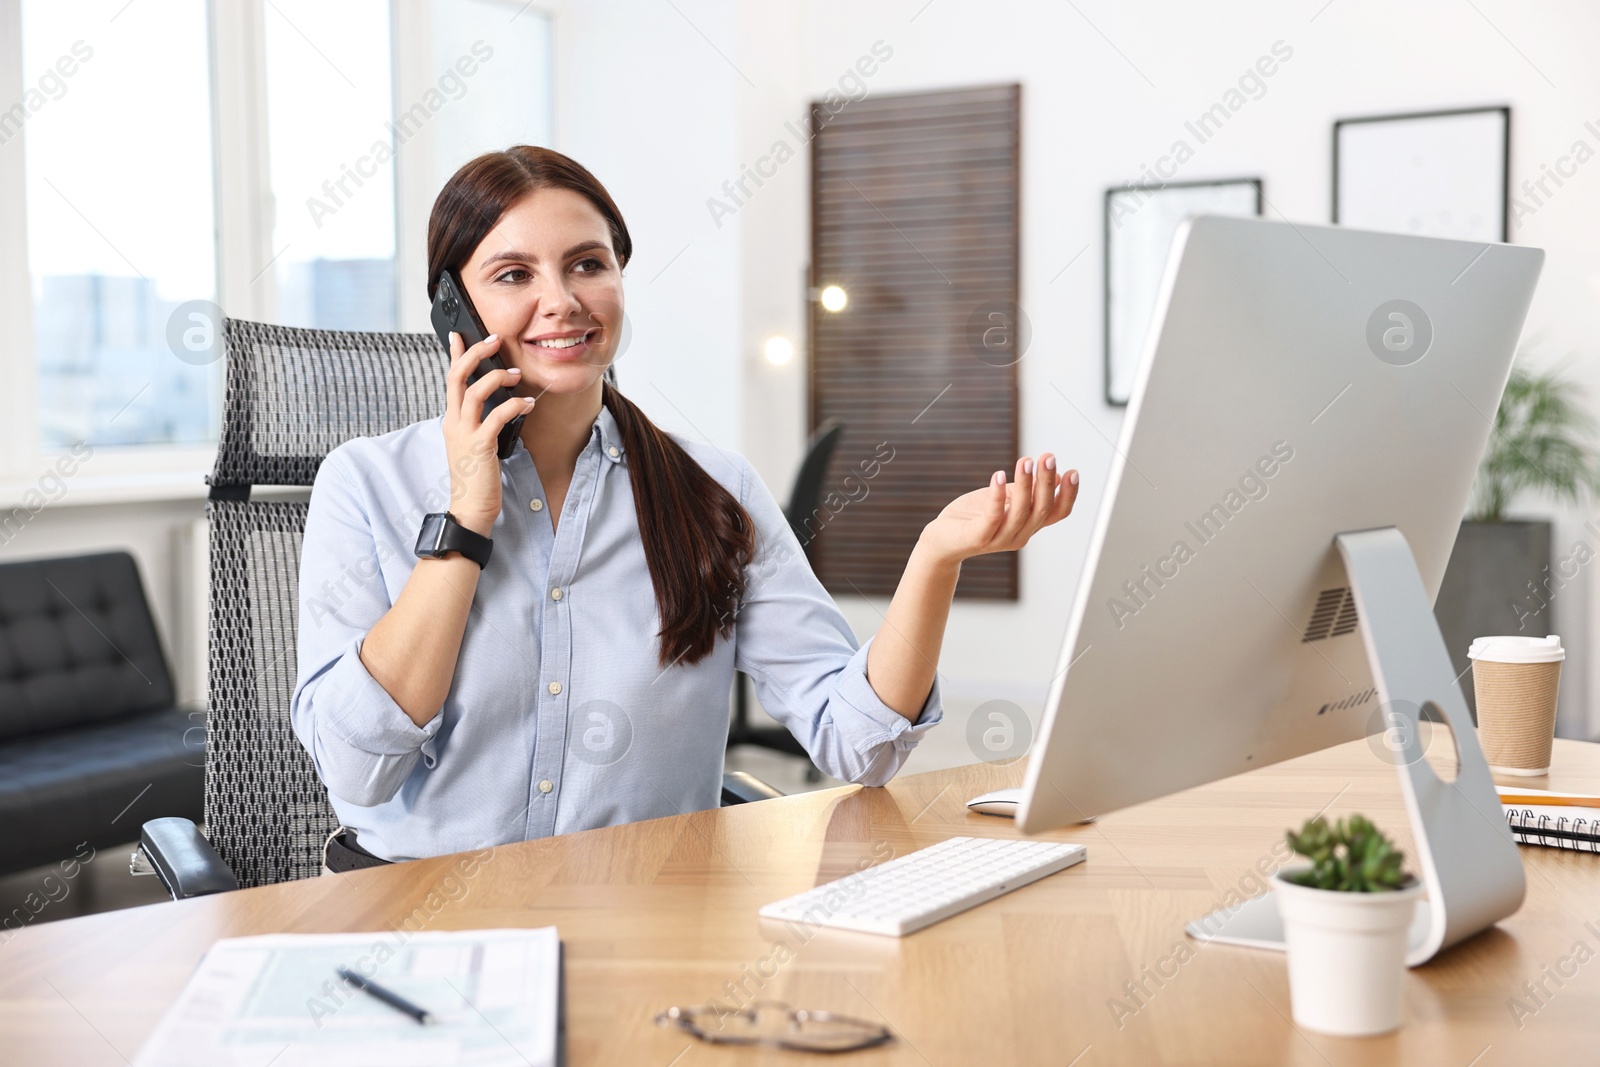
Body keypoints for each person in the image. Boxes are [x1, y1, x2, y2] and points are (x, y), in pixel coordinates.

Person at [291, 146, 1079, 868]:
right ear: (451, 308)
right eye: (513, 275)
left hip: (645, 921)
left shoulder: (712, 490)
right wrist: (467, 518)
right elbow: (360, 773)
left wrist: (935, 555)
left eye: (587, 264)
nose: (561, 301)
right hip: (418, 921)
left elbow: (857, 745)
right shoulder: (364, 485)